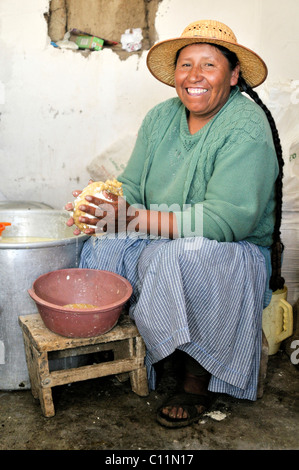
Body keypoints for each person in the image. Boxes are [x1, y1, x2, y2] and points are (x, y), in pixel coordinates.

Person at [66, 19, 285, 428]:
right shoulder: (160, 117)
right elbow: (131, 185)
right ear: (175, 75)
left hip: (229, 249)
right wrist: (101, 205)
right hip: (161, 230)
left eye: (209, 65)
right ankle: (137, 352)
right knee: (101, 244)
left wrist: (131, 218)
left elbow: (226, 221)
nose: (194, 77)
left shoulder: (246, 127)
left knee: (183, 256)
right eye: (186, 65)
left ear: (234, 75)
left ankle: (195, 378)